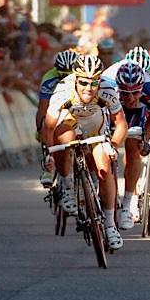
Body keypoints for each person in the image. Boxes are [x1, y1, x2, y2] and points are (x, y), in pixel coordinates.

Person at [42, 55, 128, 251]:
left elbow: (121, 124)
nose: (89, 88)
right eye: (83, 83)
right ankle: (66, 186)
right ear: (75, 79)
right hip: (70, 122)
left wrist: (113, 145)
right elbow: (48, 128)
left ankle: (110, 225)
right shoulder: (62, 92)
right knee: (64, 140)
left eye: (94, 83)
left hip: (96, 126)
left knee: (104, 168)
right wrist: (49, 155)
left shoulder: (107, 90)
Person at [112, 61, 150, 229]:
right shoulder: (108, 90)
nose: (130, 97)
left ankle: (127, 206)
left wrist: (145, 140)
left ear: (141, 87)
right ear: (118, 88)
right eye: (125, 93)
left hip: (137, 112)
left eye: (135, 92)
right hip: (114, 109)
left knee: (133, 149)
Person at [36, 50, 79, 184]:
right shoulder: (49, 79)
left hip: (76, 107)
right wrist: (41, 129)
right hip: (56, 107)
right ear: (56, 70)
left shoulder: (83, 76)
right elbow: (43, 107)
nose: (66, 77)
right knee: (47, 127)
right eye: (63, 74)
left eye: (70, 74)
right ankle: (48, 165)